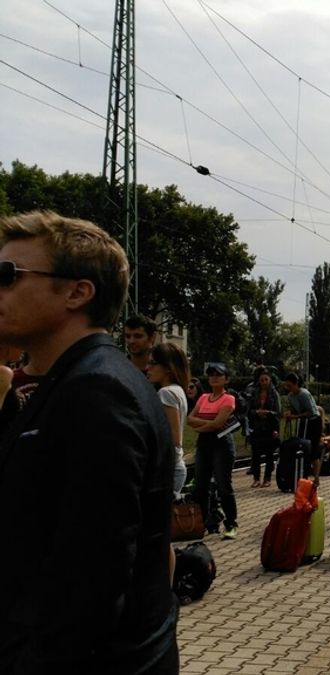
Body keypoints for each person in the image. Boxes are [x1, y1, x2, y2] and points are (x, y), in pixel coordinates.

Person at [0, 211, 177, 672]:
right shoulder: (79, 379)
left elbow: (93, 573)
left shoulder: (97, 389)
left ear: (77, 292)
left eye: (8, 276)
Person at [188, 362, 240, 539]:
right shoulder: (203, 398)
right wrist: (209, 425)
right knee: (200, 486)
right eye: (211, 375)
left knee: (223, 485)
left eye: (218, 375)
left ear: (226, 379)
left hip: (222, 445)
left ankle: (231, 523)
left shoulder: (228, 399)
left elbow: (219, 424)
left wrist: (201, 425)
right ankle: (203, 523)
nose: (214, 378)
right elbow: (189, 419)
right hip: (204, 444)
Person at [146, 342, 190, 499]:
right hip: (174, 467)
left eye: (153, 363)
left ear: (168, 368)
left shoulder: (166, 393)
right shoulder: (177, 390)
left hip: (168, 469)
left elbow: (174, 438)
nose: (147, 367)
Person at [245, 367, 282, 488]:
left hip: (269, 427)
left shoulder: (274, 394)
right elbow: (248, 411)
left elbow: (278, 412)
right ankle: (256, 478)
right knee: (255, 453)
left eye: (266, 380)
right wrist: (256, 412)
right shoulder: (254, 393)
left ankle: (267, 478)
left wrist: (268, 413)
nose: (264, 382)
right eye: (262, 380)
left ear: (270, 380)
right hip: (256, 427)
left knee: (269, 454)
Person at [282, 372, 322, 478]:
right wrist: (290, 413)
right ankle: (303, 472)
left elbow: (311, 411)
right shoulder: (290, 396)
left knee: (313, 449)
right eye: (287, 386)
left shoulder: (304, 394)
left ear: (296, 384)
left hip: (313, 422)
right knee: (302, 446)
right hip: (303, 422)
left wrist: (296, 417)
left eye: (290, 386)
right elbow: (294, 409)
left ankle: (316, 477)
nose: (288, 388)